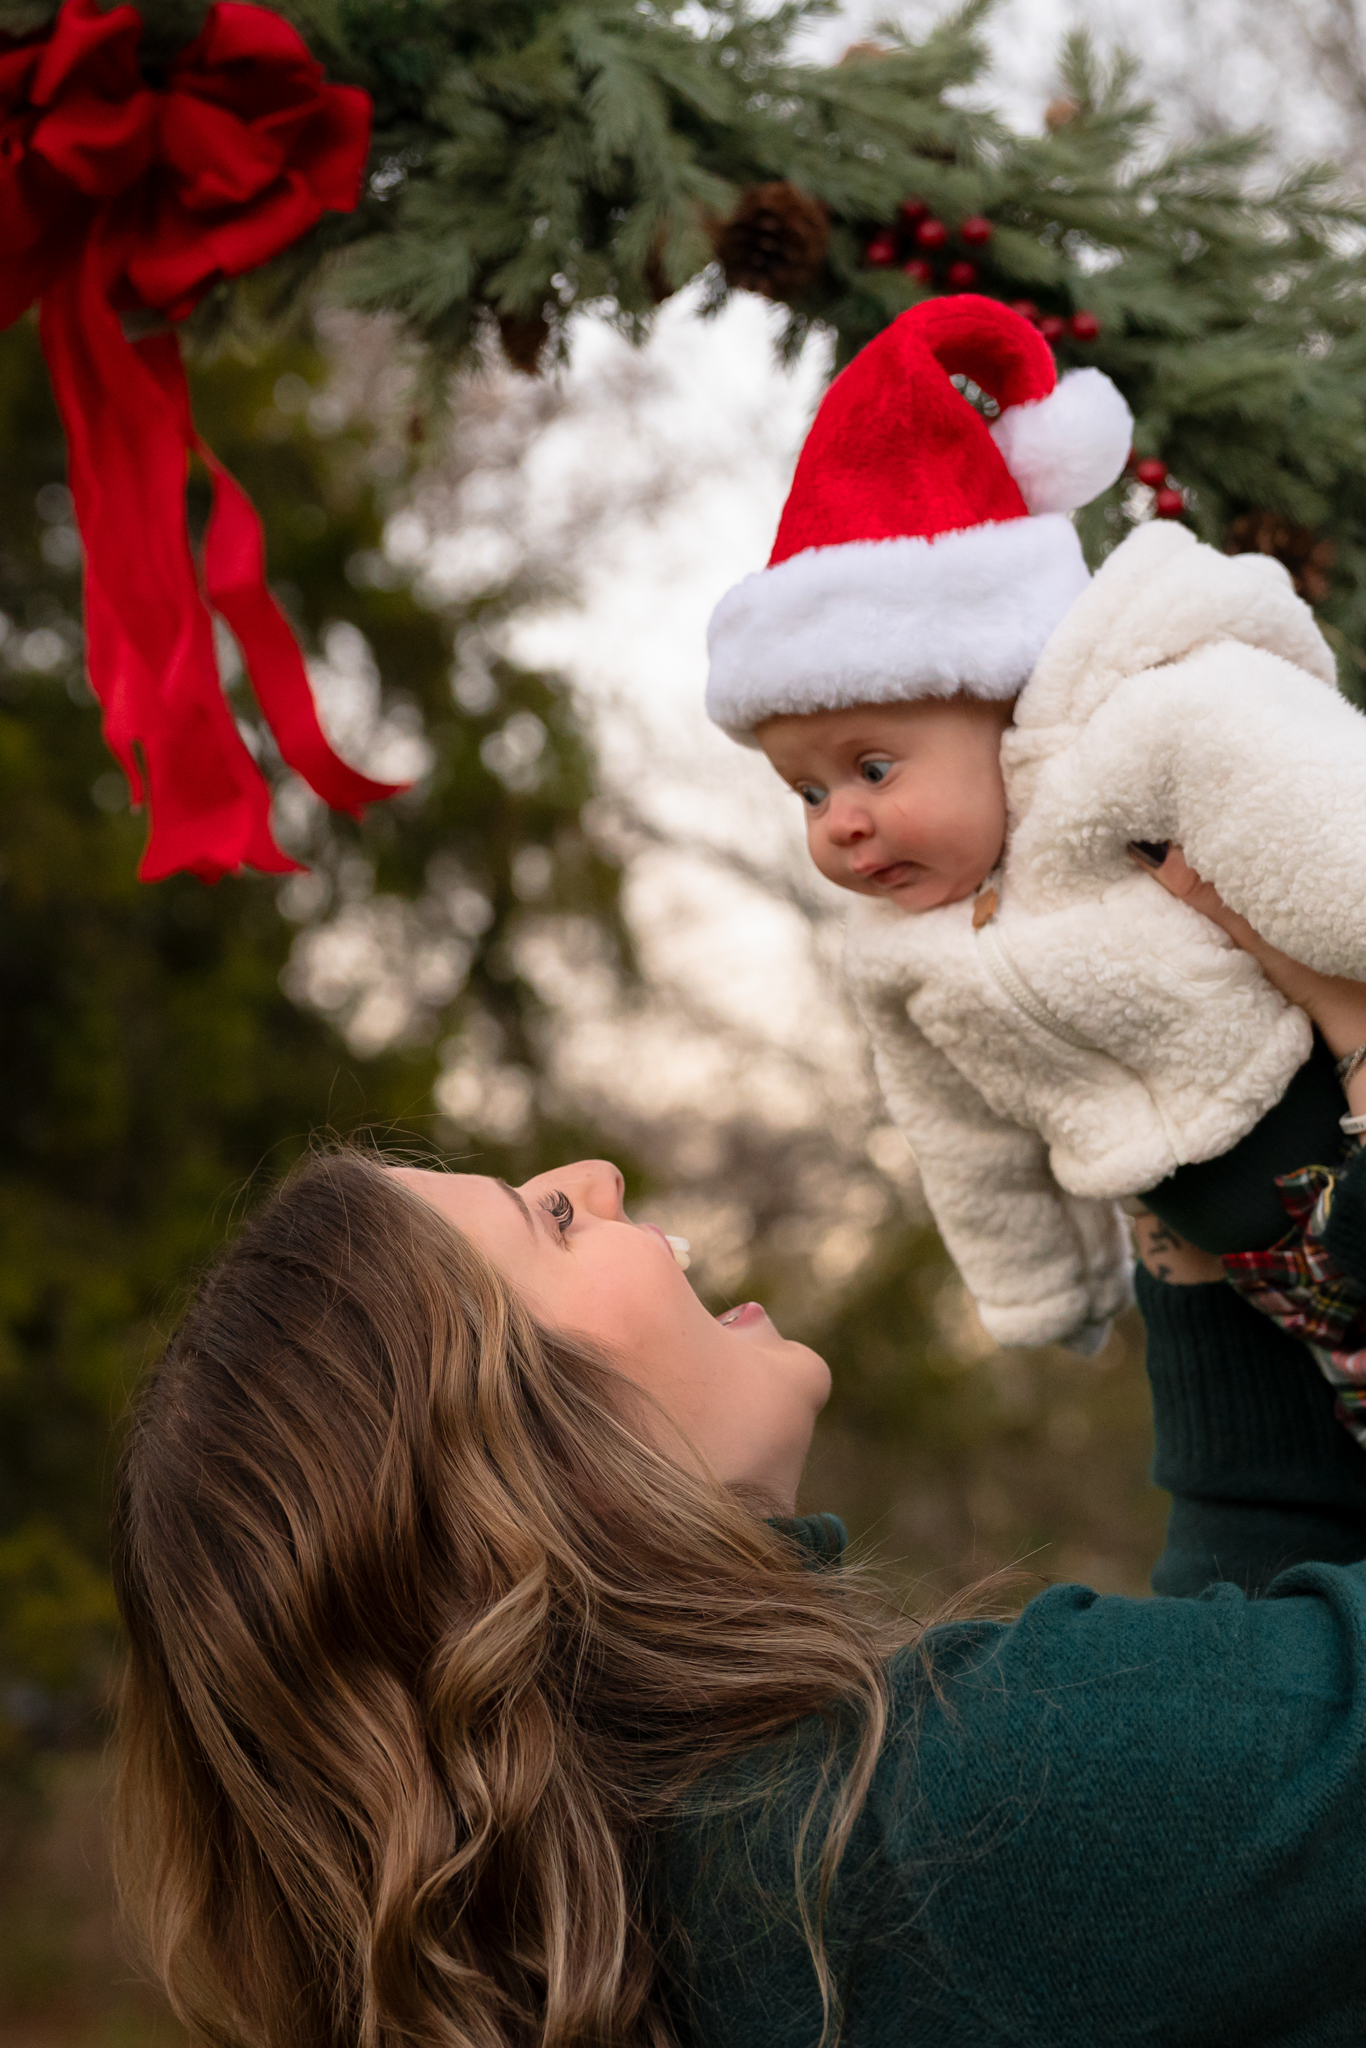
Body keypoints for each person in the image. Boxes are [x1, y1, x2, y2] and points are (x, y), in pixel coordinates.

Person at [113, 866, 1366, 2048]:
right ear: (532, 1462)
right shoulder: (934, 1816)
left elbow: (1272, 1728)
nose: (595, 1175)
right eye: (544, 1221)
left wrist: (1192, 1207)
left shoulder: (679, 1895)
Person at [705, 294, 1366, 1398]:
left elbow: (1302, 796)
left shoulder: (1151, 724)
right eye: (805, 790)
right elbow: (959, 1139)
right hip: (1278, 1295)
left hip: (1325, 1140)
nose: (840, 820)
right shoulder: (894, 954)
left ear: (1001, 695)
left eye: (872, 767)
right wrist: (1039, 1284)